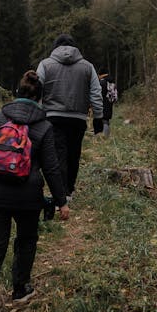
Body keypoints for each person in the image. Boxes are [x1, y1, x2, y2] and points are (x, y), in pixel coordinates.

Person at [0, 70, 69, 312]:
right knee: (26, 239)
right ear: (40, 98)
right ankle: (20, 289)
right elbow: (51, 167)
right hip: (27, 194)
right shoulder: (44, 125)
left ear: (17, 92)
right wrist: (61, 201)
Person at [36, 34, 104, 200]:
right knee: (74, 154)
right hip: (78, 118)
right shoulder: (88, 67)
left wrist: (36, 115)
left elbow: (37, 90)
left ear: (55, 47)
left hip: (52, 117)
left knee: (58, 154)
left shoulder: (45, 64)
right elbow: (96, 93)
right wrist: (98, 117)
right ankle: (69, 189)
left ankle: (61, 192)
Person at [98, 70, 118, 138]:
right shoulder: (111, 82)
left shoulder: (102, 82)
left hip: (103, 103)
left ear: (101, 75)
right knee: (106, 119)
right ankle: (107, 135)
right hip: (109, 103)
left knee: (103, 119)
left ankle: (105, 136)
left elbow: (99, 94)